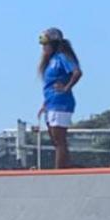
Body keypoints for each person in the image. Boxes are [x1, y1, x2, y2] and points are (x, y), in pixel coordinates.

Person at [37, 28, 82, 169]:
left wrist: (67, 87)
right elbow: (49, 85)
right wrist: (44, 104)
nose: (44, 48)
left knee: (59, 139)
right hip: (51, 103)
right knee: (55, 140)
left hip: (61, 103)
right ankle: (65, 166)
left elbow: (77, 72)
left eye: (46, 44)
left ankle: (60, 170)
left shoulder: (63, 57)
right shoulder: (51, 61)